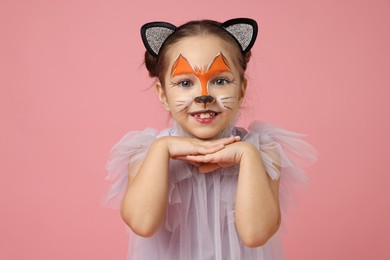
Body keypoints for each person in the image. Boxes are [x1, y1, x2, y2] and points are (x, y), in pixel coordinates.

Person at [104, 18, 317, 260]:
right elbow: (142, 224)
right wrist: (162, 149)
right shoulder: (146, 153)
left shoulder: (262, 152)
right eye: (185, 83)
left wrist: (247, 155)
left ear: (242, 89)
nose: (204, 96)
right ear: (163, 94)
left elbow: (256, 234)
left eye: (220, 81)